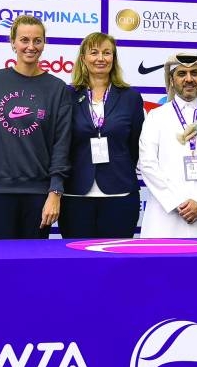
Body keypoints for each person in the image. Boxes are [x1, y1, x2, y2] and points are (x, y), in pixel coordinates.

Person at [0, 15, 72, 239]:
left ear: (44, 43)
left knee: (33, 261)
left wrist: (55, 191)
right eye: (24, 40)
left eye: (37, 41)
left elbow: (61, 143)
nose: (31, 46)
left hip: (38, 195)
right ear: (13, 43)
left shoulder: (57, 88)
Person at [139, 53, 197, 238]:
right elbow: (148, 164)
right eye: (182, 73)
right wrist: (176, 202)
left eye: (194, 73)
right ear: (171, 80)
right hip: (166, 216)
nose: (189, 79)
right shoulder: (156, 117)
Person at [60, 33, 144, 239]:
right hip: (75, 194)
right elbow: (61, 143)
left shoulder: (131, 97)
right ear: (83, 58)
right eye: (94, 52)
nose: (101, 58)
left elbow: (135, 145)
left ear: (113, 58)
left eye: (107, 53)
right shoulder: (67, 95)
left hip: (120, 193)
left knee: (116, 257)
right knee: (78, 256)